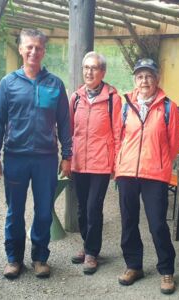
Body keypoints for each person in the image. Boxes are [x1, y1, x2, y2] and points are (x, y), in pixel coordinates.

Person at [0, 29, 72, 280]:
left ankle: (40, 258)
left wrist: (67, 155)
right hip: (15, 156)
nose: (33, 51)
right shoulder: (8, 83)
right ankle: (14, 259)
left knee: (44, 211)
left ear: (44, 51)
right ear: (20, 49)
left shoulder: (55, 84)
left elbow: (64, 122)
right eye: (29, 47)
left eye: (38, 48)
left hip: (46, 158)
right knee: (14, 210)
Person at [115, 58, 179, 294]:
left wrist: (160, 160)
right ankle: (134, 265)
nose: (144, 80)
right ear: (135, 80)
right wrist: (120, 162)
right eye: (140, 76)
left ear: (157, 79)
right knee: (128, 221)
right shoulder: (125, 105)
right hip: (126, 173)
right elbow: (118, 137)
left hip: (155, 173)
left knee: (157, 224)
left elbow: (175, 142)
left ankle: (166, 270)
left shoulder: (168, 107)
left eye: (149, 76)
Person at [69, 52, 122, 274]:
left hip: (101, 162)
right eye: (86, 68)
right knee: (81, 209)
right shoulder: (76, 98)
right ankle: (86, 244)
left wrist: (117, 164)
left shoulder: (112, 99)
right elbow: (69, 131)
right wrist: (66, 157)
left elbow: (119, 133)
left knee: (93, 208)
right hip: (79, 161)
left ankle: (92, 252)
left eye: (95, 68)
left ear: (103, 72)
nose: (90, 72)